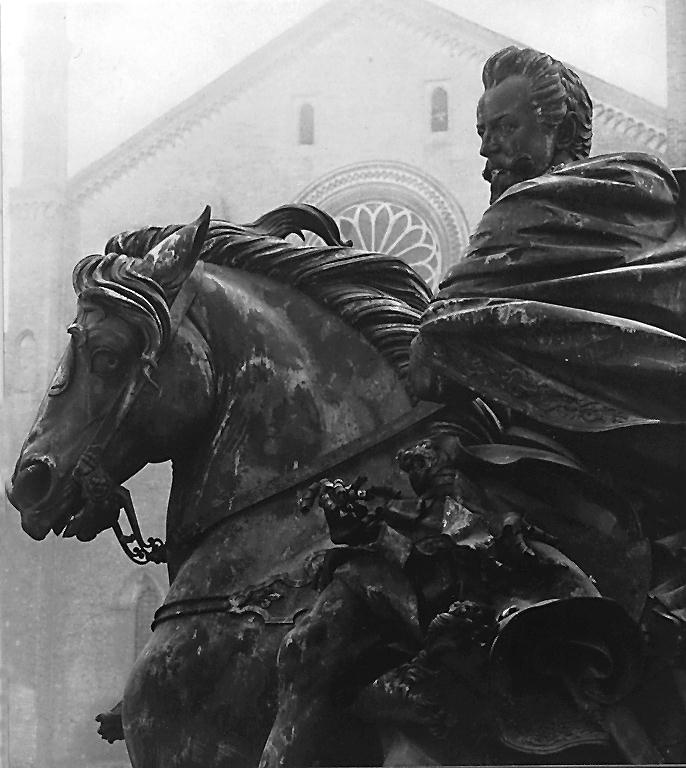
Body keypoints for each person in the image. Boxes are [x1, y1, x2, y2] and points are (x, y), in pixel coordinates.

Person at [261, 47, 686, 766]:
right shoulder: (537, 216)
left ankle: (561, 669)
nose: (490, 153)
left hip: (609, 434)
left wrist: (450, 338)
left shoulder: (595, 197)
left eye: (507, 129)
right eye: (483, 135)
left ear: (560, 132)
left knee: (484, 504)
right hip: (538, 425)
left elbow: (451, 324)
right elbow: (464, 318)